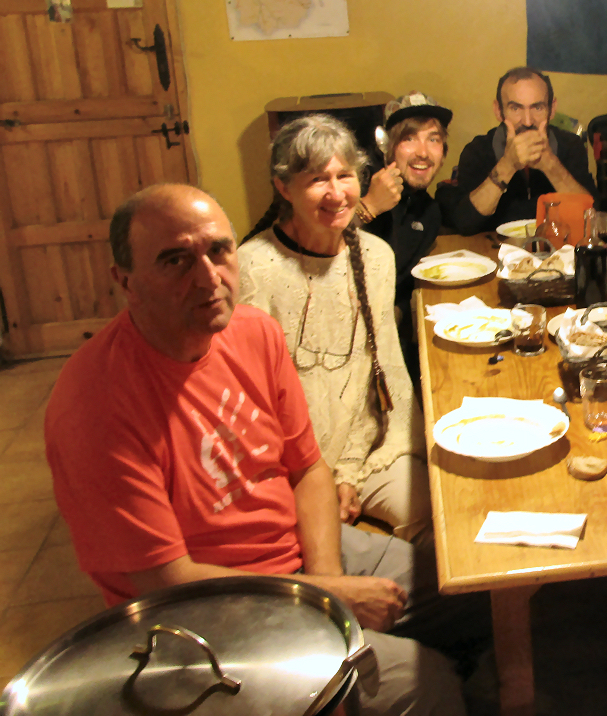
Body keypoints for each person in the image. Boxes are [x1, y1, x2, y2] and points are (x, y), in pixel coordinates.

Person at [46, 184, 480, 715]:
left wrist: (325, 588)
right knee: (424, 686)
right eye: (175, 260)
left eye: (218, 251)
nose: (208, 278)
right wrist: (326, 600)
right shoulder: (93, 402)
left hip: (302, 555)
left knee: (471, 592)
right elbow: (168, 581)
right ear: (126, 281)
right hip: (201, 614)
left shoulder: (253, 332)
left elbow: (308, 470)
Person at [239, 115, 431, 543]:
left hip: (364, 453)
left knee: (435, 518)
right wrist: (316, 481)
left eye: (345, 175)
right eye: (316, 180)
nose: (336, 192)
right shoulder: (253, 268)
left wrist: (349, 470)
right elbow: (254, 404)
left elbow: (380, 375)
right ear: (283, 188)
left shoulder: (376, 257)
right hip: (285, 472)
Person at [354, 91, 452, 386]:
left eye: (433, 139)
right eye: (409, 138)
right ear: (388, 148)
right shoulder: (355, 180)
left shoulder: (429, 211)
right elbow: (308, 246)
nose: (423, 152)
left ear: (444, 152)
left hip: (387, 340)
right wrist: (369, 206)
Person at [444, 66, 596, 235]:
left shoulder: (570, 145)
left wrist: (550, 165)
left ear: (552, 109)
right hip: (495, 252)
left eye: (537, 108)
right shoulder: (478, 150)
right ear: (498, 111)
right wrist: (508, 165)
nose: (528, 121)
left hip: (558, 249)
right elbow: (464, 223)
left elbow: (592, 218)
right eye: (515, 108)